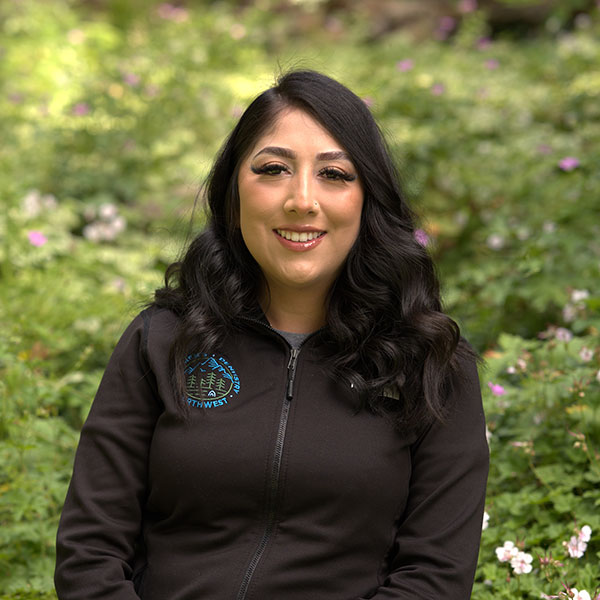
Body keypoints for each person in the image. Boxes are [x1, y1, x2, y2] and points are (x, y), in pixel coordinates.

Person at [55, 70, 489, 600]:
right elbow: (90, 556)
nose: (302, 200)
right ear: (234, 195)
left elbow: (434, 581)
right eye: (274, 169)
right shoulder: (162, 342)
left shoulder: (431, 365)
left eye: (334, 174)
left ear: (367, 200)